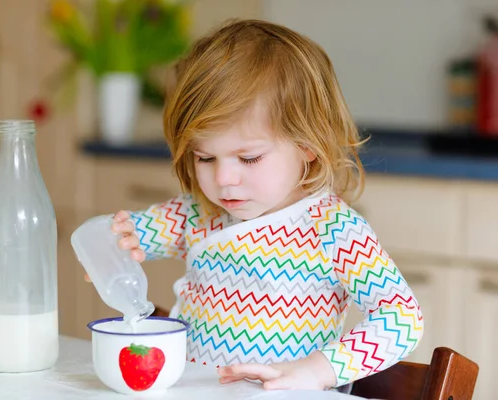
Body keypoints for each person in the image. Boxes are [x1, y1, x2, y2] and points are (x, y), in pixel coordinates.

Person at [89, 19, 424, 391]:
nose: (224, 179)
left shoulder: (333, 228)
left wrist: (318, 370)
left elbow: (402, 317)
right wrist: (111, 245)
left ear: (307, 145)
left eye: (248, 158)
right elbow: (127, 235)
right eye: (205, 158)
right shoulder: (200, 213)